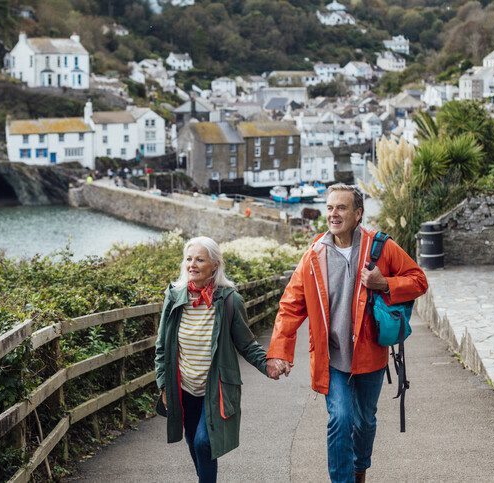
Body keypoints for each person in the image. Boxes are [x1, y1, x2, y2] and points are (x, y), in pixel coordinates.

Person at [266, 183, 428, 483]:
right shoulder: (314, 255)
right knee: (339, 420)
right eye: (329, 208)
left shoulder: (381, 248)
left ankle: (359, 468)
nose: (333, 214)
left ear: (358, 214)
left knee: (364, 422)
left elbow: (419, 281)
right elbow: (290, 305)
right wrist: (278, 352)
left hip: (370, 355)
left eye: (341, 208)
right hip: (333, 358)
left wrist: (385, 284)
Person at [155, 236, 273, 483]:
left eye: (199, 259)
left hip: (215, 389)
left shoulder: (229, 301)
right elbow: (162, 346)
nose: (192, 265)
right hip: (183, 387)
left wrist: (268, 364)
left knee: (203, 444)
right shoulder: (175, 297)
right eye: (189, 259)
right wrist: (164, 384)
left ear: (215, 265)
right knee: (192, 441)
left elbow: (246, 343)